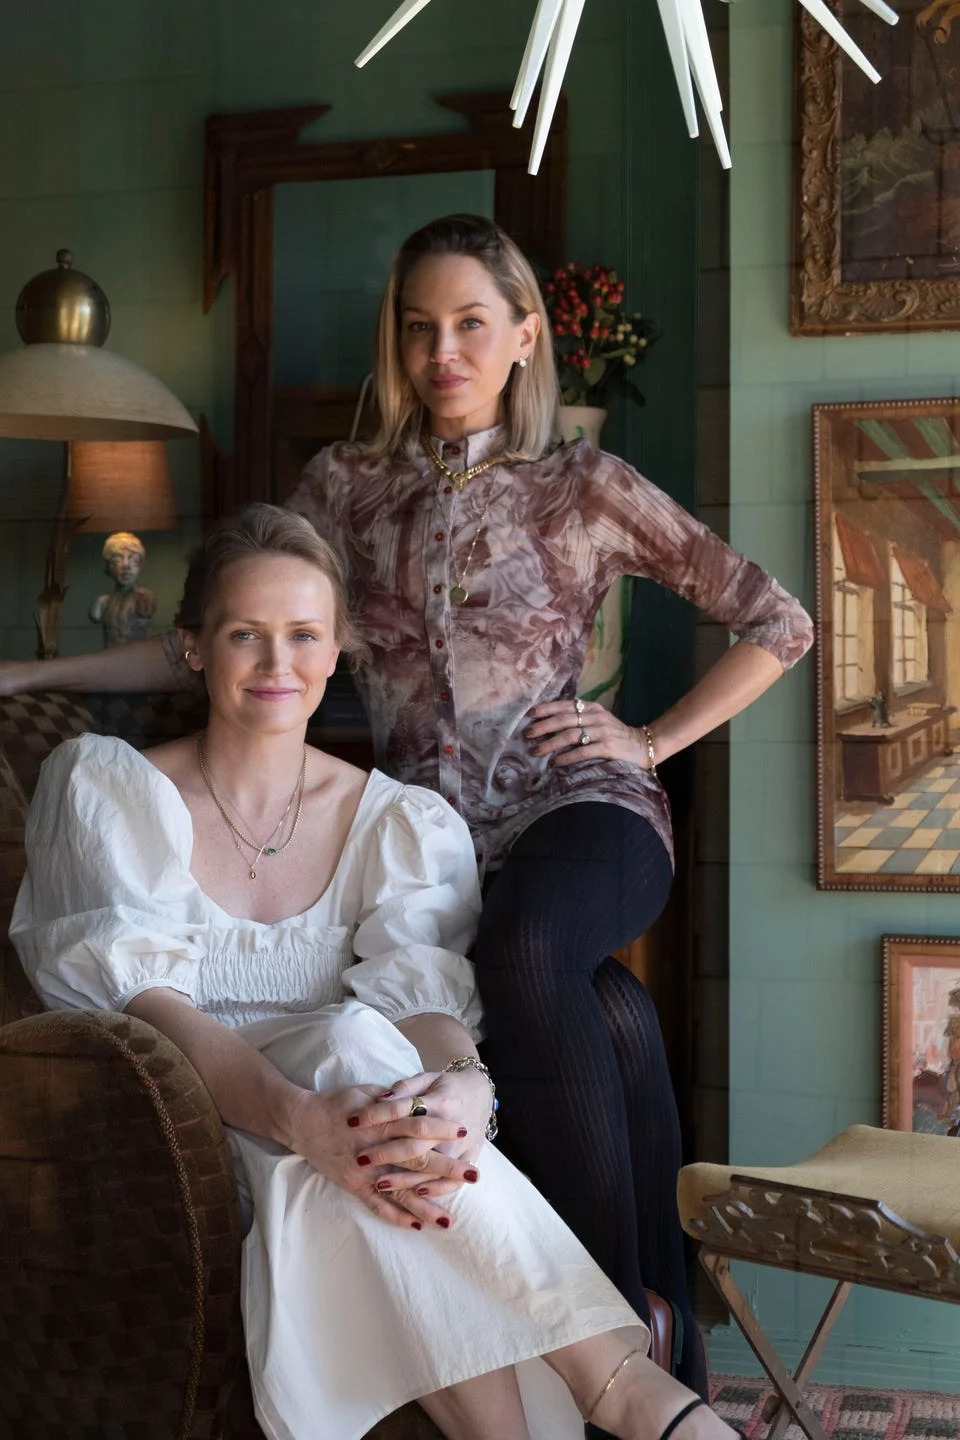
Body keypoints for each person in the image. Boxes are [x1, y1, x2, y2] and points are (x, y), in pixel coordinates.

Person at [0, 213, 814, 1403]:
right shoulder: (346, 486)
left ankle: (618, 1352)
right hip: (446, 834)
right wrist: (34, 675)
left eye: (472, 324)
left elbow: (777, 621)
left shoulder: (581, 483)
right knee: (609, 1010)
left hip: (582, 808)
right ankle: (659, 1331)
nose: (444, 350)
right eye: (420, 327)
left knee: (533, 954)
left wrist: (646, 739)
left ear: (526, 335)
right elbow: (236, 630)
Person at [10, 506, 742, 1440]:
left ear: (337, 651)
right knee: (355, 1049)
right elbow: (150, 1008)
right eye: (246, 635)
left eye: (304, 636)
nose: (279, 664)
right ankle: (624, 1385)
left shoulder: (394, 821)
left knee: (378, 1128)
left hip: (355, 1144)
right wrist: (300, 1119)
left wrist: (465, 1091)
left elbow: (424, 1001)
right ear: (191, 648)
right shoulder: (110, 792)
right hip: (192, 1138)